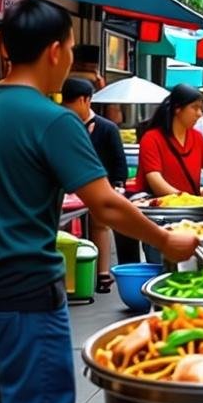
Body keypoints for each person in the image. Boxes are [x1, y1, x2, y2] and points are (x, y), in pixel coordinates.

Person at [0, 0, 198, 403]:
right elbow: (104, 205)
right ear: (54, 51)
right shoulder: (54, 120)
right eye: (69, 48)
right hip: (23, 283)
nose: (70, 59)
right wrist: (165, 241)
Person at [60, 78, 127, 295]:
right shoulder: (61, 126)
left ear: (85, 100)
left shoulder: (107, 128)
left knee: (100, 225)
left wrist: (118, 183)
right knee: (64, 232)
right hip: (67, 189)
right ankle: (70, 277)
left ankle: (102, 274)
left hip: (100, 185)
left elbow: (118, 160)